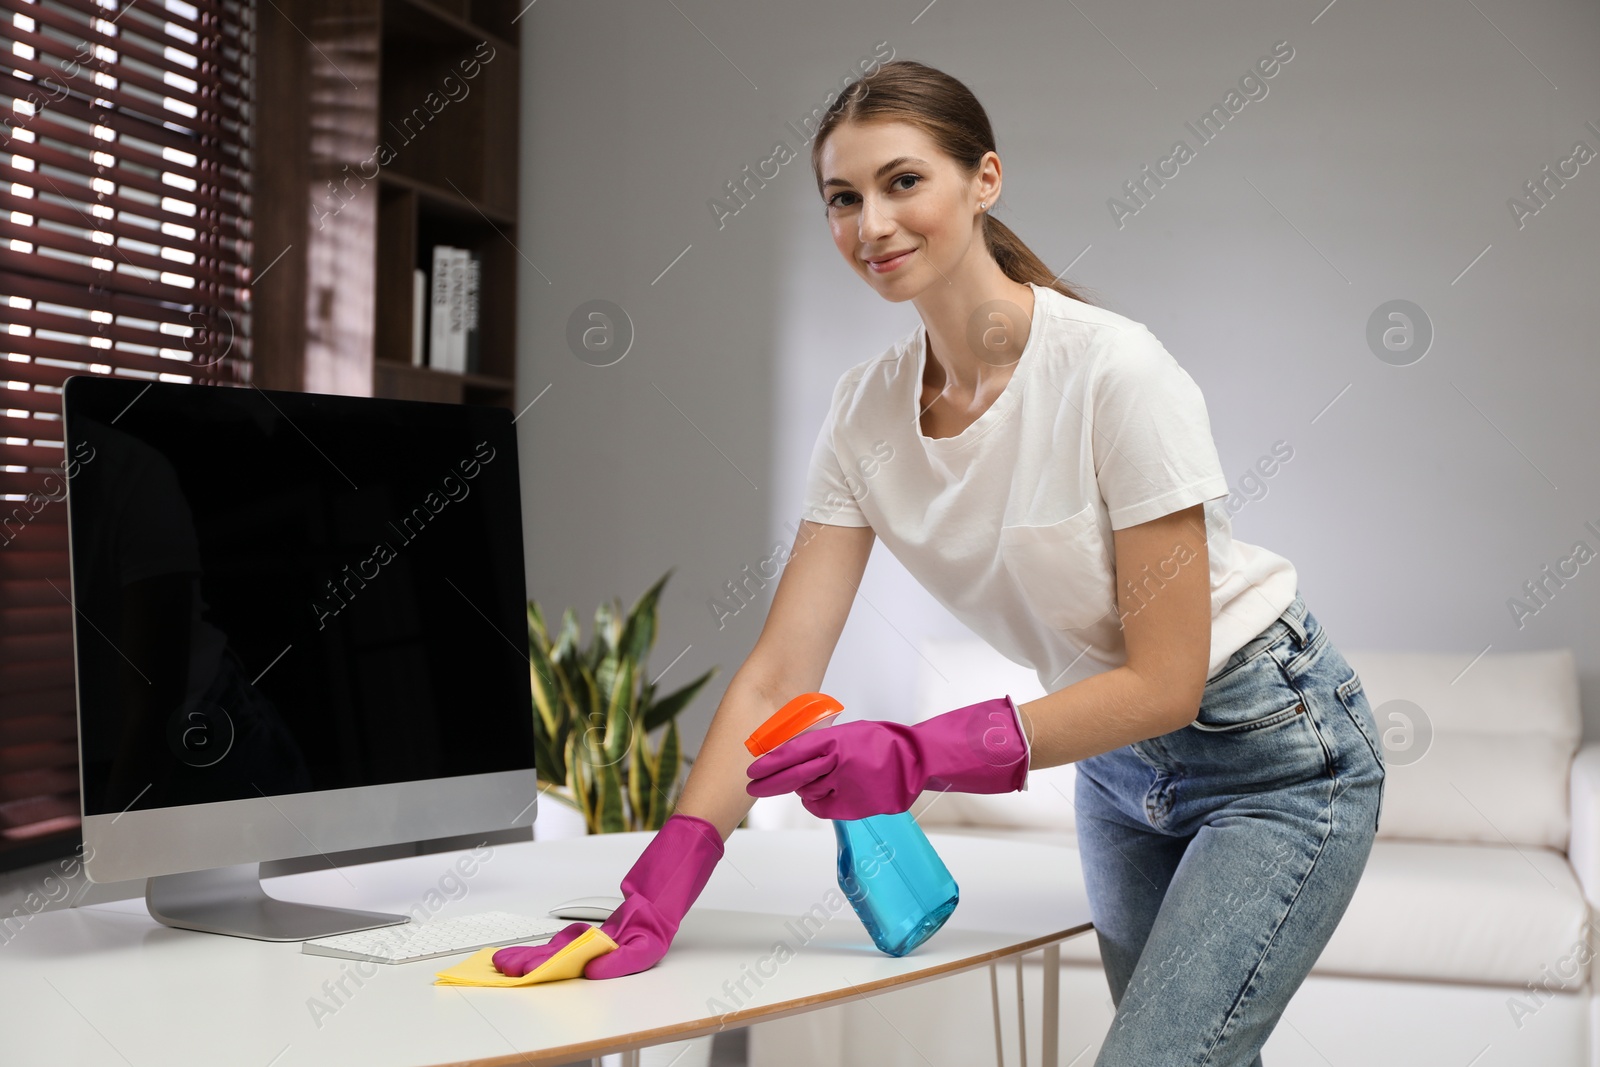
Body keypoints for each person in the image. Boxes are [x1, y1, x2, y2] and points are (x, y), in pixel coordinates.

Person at [494, 59, 1385, 1067]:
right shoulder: (864, 413)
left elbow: (1168, 679)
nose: (870, 223)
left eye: (902, 181)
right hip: (1114, 761)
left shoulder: (1112, 371)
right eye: (842, 197)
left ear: (984, 180)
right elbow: (780, 673)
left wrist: (919, 752)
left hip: (1271, 747)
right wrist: (661, 883)